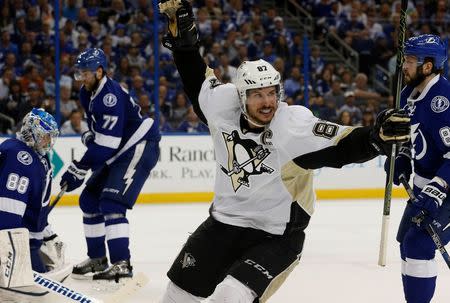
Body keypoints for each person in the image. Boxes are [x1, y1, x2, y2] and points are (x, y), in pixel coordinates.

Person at [158, 1, 410, 302]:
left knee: (230, 296)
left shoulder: (292, 126)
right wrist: (185, 44)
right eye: (257, 95)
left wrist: (376, 138)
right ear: (241, 96)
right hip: (223, 224)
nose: (267, 102)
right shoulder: (221, 105)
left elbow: (342, 146)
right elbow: (195, 78)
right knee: (176, 295)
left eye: (271, 93)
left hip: (276, 236)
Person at [60, 48, 161, 281]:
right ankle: (97, 259)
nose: (81, 78)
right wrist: (90, 140)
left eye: (85, 73)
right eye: (79, 73)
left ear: (99, 71)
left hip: (139, 145)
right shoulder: (87, 93)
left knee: (111, 203)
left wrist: (80, 166)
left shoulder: (110, 95)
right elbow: (102, 133)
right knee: (89, 200)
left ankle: (121, 263)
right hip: (118, 150)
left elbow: (107, 143)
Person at [387, 34, 450, 303]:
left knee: (419, 244)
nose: (404, 65)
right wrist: (400, 157)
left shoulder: (443, 101)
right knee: (406, 243)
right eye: (405, 59)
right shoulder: (406, 94)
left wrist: (436, 191)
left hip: (446, 187)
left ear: (428, 65)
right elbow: (406, 137)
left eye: (410, 60)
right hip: (424, 188)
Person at [0, 108, 66, 275]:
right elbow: (10, 205)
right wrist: (8, 248)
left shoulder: (37, 157)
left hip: (28, 242)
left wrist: (47, 232)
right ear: (31, 132)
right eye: (45, 136)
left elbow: (36, 203)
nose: (49, 141)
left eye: (51, 137)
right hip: (19, 243)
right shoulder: (20, 157)